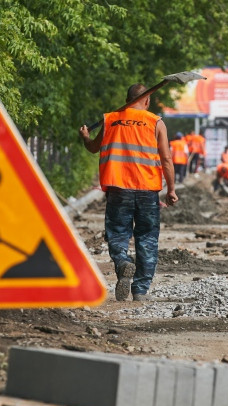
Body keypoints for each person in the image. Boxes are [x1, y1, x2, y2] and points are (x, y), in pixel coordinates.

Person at [79, 84, 178, 302]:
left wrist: (86, 136)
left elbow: (93, 147)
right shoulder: (156, 122)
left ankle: (123, 261)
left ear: (127, 98)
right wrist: (170, 189)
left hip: (118, 189)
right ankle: (140, 290)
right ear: (147, 100)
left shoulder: (110, 119)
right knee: (147, 238)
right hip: (147, 190)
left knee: (118, 233)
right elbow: (167, 159)